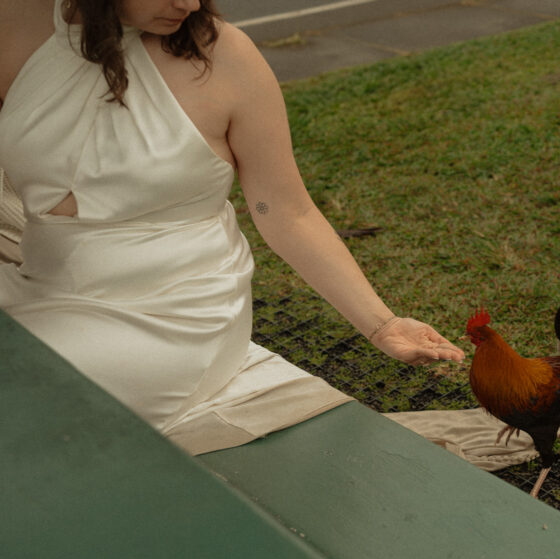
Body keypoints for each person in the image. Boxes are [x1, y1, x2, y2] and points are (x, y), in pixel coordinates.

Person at [0, 0, 465, 452]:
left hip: (171, 317)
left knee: (24, 392)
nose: (189, 2)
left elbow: (287, 211)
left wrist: (381, 324)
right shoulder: (17, 22)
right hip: (44, 285)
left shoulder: (223, 56)